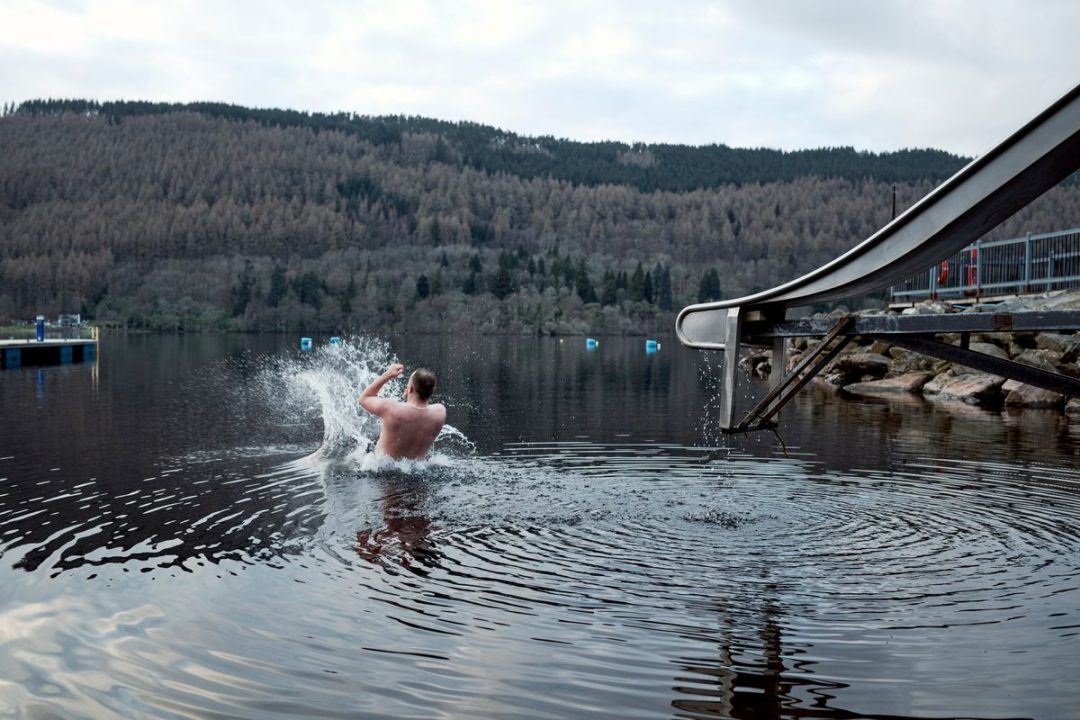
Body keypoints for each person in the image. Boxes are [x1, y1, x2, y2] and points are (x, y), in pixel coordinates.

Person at [358, 364, 446, 460]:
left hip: (382, 468)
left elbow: (364, 398)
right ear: (432, 390)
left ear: (410, 389)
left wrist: (388, 375)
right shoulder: (440, 412)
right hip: (416, 470)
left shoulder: (391, 409)